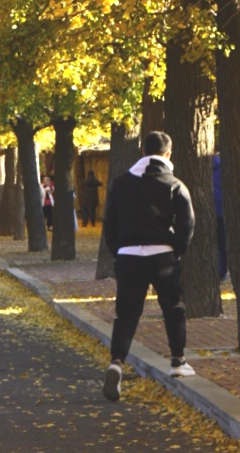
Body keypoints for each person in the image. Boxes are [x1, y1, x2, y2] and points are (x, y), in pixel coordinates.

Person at [100, 129, 196, 402]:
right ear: (168, 154)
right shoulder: (174, 184)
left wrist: (117, 251)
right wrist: (177, 248)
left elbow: (110, 222)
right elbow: (187, 222)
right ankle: (178, 361)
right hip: (162, 254)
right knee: (173, 307)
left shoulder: (120, 183)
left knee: (127, 314)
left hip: (129, 255)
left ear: (142, 151)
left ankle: (116, 361)